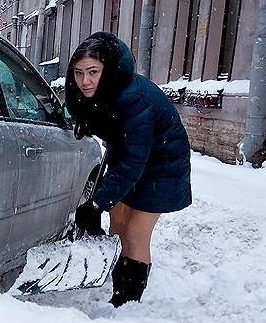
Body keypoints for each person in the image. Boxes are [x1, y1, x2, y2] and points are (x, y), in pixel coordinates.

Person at [65, 32, 192, 307]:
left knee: (135, 233)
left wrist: (96, 203)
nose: (84, 81)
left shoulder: (132, 98)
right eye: (78, 73)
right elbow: (122, 148)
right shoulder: (102, 91)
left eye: (92, 72)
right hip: (133, 158)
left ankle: (127, 302)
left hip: (162, 165)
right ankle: (120, 279)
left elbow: (134, 160)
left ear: (107, 69)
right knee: (118, 224)